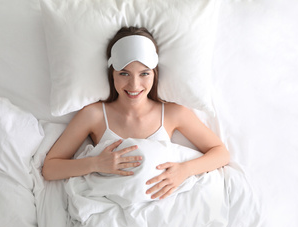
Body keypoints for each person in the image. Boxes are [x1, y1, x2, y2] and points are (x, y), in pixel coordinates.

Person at [42, 26, 230, 200]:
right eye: (124, 73)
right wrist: (95, 164)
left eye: (144, 73)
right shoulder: (94, 115)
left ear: (154, 74)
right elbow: (50, 168)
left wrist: (184, 170)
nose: (134, 85)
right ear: (112, 74)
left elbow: (221, 153)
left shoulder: (174, 113)